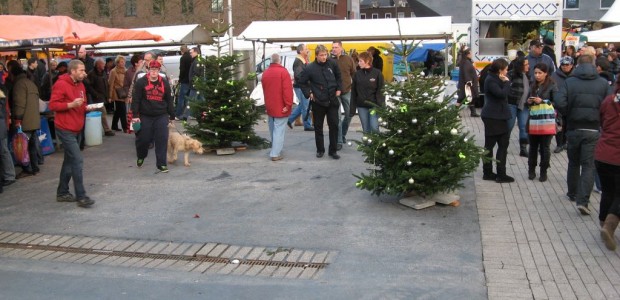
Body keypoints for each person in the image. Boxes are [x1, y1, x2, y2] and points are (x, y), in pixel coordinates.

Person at [555, 54, 612, 215]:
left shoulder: (569, 82)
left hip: (573, 127)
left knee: (573, 162)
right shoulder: (602, 83)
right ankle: (583, 200)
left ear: (577, 65)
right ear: (594, 65)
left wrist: (567, 114)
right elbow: (609, 105)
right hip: (594, 129)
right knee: (589, 165)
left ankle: (572, 193)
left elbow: (559, 102)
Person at [48, 60, 95, 208]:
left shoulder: (80, 85)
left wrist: (88, 107)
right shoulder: (61, 84)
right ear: (72, 71)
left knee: (69, 161)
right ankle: (82, 196)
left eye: (84, 70)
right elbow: (53, 105)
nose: (84, 73)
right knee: (77, 160)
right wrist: (71, 105)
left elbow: (82, 103)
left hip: (77, 127)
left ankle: (62, 192)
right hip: (65, 128)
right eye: (81, 70)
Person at [298, 45, 343, 159]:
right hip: (318, 102)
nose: (324, 57)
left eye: (325, 55)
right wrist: (309, 93)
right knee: (318, 127)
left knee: (334, 125)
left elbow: (339, 77)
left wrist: (339, 89)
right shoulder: (310, 68)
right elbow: (302, 82)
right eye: (321, 55)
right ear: (316, 55)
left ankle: (332, 151)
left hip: (332, 100)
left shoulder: (332, 63)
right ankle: (320, 150)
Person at [131, 60, 174, 173]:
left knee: (162, 139)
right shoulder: (141, 82)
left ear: (159, 71)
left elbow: (169, 100)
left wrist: (172, 116)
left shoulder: (164, 82)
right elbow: (136, 100)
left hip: (161, 115)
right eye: (152, 70)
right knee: (143, 139)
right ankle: (141, 155)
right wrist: (135, 115)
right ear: (148, 70)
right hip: (145, 115)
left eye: (156, 70)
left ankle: (161, 164)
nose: (154, 72)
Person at [595, 77, 620, 251]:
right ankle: (609, 227)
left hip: (603, 153)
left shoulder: (609, 100)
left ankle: (603, 224)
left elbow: (602, 120)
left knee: (608, 190)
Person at [481, 58, 514, 183]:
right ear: (500, 70)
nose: (507, 72)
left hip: (498, 116)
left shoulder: (494, 78)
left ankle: (495, 172)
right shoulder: (491, 80)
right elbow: (501, 94)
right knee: (492, 146)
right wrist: (507, 83)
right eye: (506, 69)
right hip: (493, 117)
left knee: (500, 145)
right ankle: (493, 173)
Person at [526, 63, 557, 182]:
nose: (537, 75)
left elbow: (556, 102)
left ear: (546, 73)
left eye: (540, 73)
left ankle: (543, 171)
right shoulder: (532, 84)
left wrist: (543, 101)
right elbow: (525, 101)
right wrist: (529, 101)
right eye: (535, 73)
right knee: (533, 146)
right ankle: (531, 169)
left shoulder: (552, 85)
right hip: (533, 120)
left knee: (545, 147)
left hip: (546, 121)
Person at [11, 64, 42, 179]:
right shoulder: (30, 82)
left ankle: (27, 169)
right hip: (33, 119)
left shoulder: (19, 84)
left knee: (23, 147)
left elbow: (19, 104)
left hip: (25, 120)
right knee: (32, 146)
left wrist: (18, 119)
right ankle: (35, 167)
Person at [261, 53, 293, 161]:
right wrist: (288, 105)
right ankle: (275, 153)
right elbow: (287, 91)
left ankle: (275, 148)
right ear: (279, 61)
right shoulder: (283, 72)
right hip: (281, 106)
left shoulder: (265, 73)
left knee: (272, 129)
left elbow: (265, 90)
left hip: (270, 106)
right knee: (279, 129)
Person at [350, 51, 384, 133]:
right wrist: (352, 109)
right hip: (362, 106)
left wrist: (381, 106)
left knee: (374, 127)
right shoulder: (357, 74)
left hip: (374, 106)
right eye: (358, 61)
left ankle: (377, 145)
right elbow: (354, 92)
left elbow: (381, 90)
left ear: (367, 61)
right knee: (366, 129)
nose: (358, 63)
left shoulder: (377, 73)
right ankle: (367, 145)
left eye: (360, 61)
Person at [332, 41, 356, 150]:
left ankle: (342, 134)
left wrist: (353, 87)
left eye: (336, 47)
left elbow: (354, 74)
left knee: (349, 114)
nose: (334, 49)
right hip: (335, 93)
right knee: (337, 117)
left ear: (341, 48)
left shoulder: (348, 59)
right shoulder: (330, 60)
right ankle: (339, 141)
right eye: (333, 47)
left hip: (347, 91)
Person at [287, 43, 313, 131]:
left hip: (301, 86)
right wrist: (308, 80)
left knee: (303, 105)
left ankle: (289, 120)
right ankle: (307, 125)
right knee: (305, 106)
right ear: (301, 51)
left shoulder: (302, 60)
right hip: (301, 86)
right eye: (306, 49)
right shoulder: (298, 61)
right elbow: (299, 75)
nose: (308, 50)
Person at [507, 56, 530, 157]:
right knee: (509, 126)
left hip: (524, 104)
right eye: (526, 64)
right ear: (521, 66)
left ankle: (523, 148)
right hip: (511, 104)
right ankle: (504, 145)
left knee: (523, 126)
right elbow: (506, 87)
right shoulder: (511, 74)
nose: (528, 66)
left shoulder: (528, 75)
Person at [551, 56, 574, 153]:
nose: (565, 66)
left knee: (569, 125)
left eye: (567, 65)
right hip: (559, 104)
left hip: (571, 104)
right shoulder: (554, 75)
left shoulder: (576, 75)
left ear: (572, 65)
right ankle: (559, 144)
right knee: (559, 125)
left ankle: (566, 142)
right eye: (563, 64)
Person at [87, 58, 115, 136]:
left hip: (102, 96)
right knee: (103, 113)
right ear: (98, 65)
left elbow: (106, 84)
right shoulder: (91, 74)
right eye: (102, 64)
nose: (104, 65)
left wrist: (108, 95)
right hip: (95, 98)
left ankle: (99, 129)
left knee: (99, 114)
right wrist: (95, 94)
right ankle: (107, 130)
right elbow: (89, 87)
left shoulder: (103, 73)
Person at [456, 47, 480, 117]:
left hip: (467, 83)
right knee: (461, 98)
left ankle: (473, 112)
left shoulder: (466, 61)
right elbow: (466, 73)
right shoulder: (466, 62)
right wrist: (469, 82)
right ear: (468, 54)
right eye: (471, 52)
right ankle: (454, 112)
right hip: (467, 84)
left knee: (470, 98)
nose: (472, 54)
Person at [0, 85, 15, 188]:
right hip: (3, 123)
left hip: (2, 124)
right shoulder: (3, 89)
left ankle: (9, 175)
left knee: (3, 150)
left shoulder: (2, 90)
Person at [109, 55, 127, 132]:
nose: (123, 63)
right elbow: (111, 84)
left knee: (118, 111)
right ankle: (125, 127)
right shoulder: (113, 71)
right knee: (122, 110)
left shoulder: (126, 70)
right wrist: (110, 96)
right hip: (117, 93)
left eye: (124, 62)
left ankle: (114, 125)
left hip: (124, 92)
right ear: (117, 63)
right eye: (121, 62)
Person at [175, 45, 192, 120]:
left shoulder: (183, 58)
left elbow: (182, 70)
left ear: (181, 51)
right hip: (191, 81)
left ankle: (179, 114)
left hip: (184, 80)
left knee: (181, 98)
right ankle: (187, 114)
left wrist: (180, 79)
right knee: (189, 98)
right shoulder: (191, 57)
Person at [187, 47, 204, 118]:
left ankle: (186, 116)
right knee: (201, 99)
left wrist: (193, 82)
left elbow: (196, 73)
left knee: (191, 100)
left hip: (195, 85)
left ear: (196, 52)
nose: (190, 54)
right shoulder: (197, 60)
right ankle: (202, 114)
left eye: (191, 52)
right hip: (198, 84)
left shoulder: (197, 61)